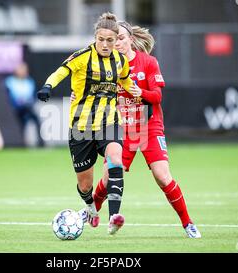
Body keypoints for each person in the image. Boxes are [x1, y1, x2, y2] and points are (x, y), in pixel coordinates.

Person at [72, 21, 201, 238]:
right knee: (108, 177)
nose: (117, 43)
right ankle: (92, 212)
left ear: (130, 39)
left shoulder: (148, 62)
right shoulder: (106, 66)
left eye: (121, 38)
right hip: (121, 128)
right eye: (114, 39)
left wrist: (137, 92)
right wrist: (80, 96)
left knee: (163, 176)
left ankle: (188, 223)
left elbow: (157, 97)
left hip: (148, 127)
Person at [37, 12, 140, 235]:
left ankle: (114, 217)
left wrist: (132, 88)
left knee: (115, 159)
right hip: (81, 128)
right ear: (95, 37)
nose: (105, 44)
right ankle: (91, 208)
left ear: (115, 40)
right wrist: (48, 86)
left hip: (109, 123)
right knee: (85, 185)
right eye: (101, 39)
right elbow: (61, 71)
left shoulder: (120, 60)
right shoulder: (82, 56)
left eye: (110, 40)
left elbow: (124, 78)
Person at [5, 62, 45, 147]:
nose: (23, 71)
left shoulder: (29, 81)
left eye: (24, 70)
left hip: (28, 107)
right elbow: (8, 96)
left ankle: (40, 143)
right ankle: (21, 143)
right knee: (21, 124)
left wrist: (30, 101)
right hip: (16, 108)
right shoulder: (10, 81)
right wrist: (17, 103)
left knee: (36, 121)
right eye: (21, 69)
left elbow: (33, 95)